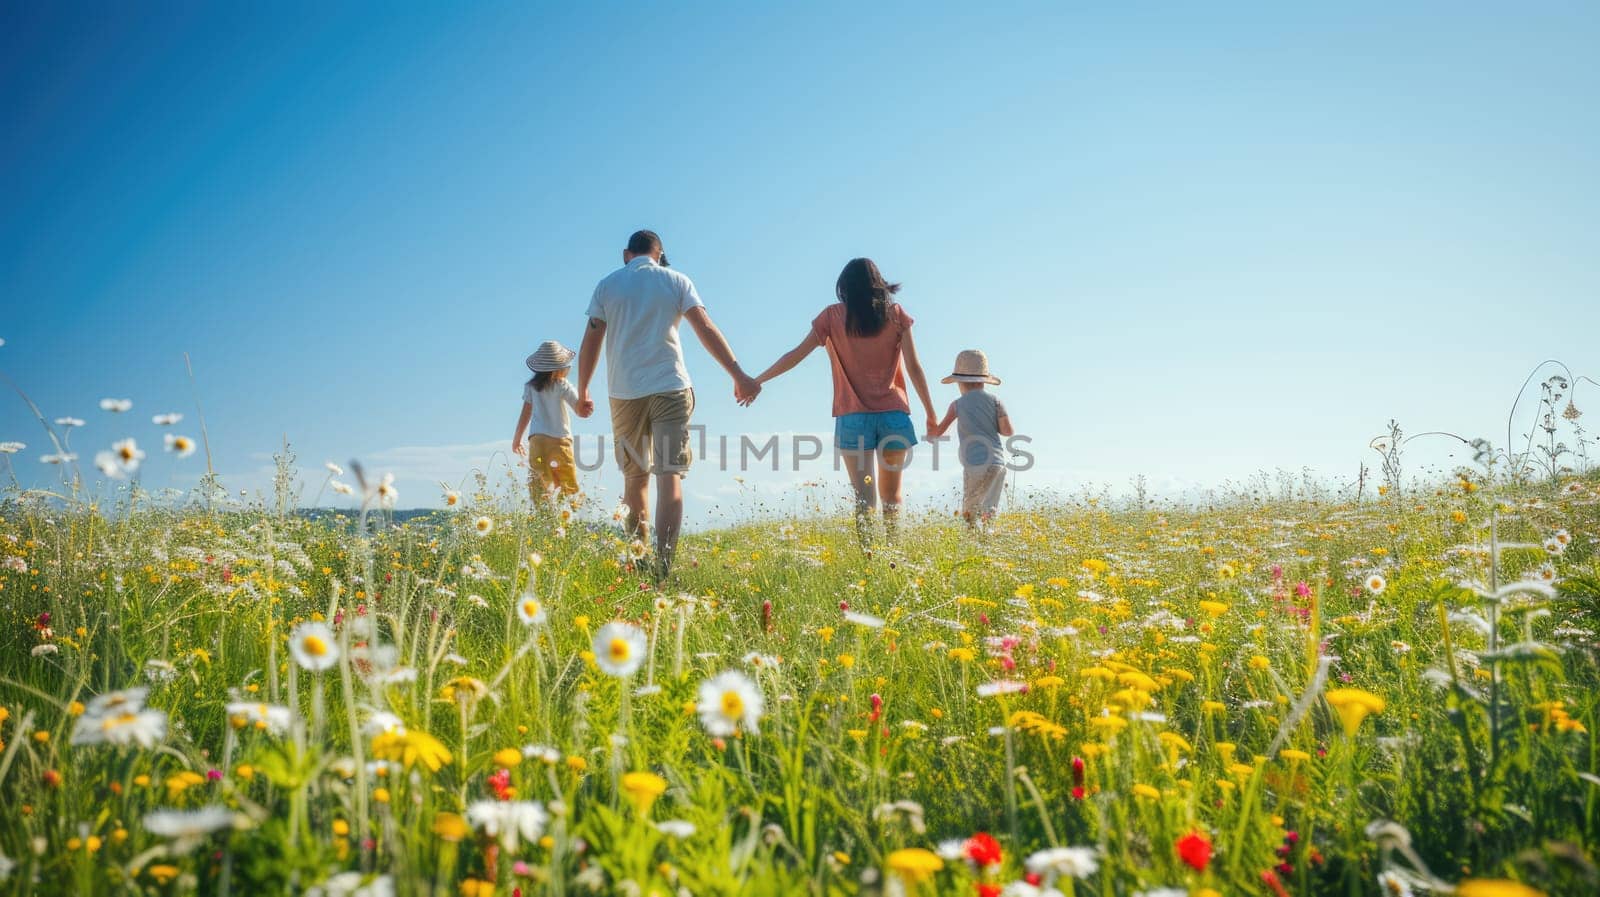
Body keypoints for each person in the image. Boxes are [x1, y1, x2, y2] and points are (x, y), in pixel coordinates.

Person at [577, 230, 759, 577]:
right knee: (669, 475)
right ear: (659, 255)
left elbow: (591, 339)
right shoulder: (676, 280)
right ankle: (663, 568)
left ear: (626, 254)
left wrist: (583, 390)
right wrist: (738, 374)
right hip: (671, 387)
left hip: (624, 391)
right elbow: (704, 327)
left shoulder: (607, 286)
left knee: (635, 478)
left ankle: (638, 560)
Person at [754, 258, 937, 544]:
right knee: (892, 498)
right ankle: (895, 560)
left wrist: (758, 380)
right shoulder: (896, 314)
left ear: (843, 288)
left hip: (853, 418)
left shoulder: (831, 317)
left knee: (865, 499)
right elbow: (914, 367)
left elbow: (795, 355)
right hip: (894, 416)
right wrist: (931, 413)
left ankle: (869, 560)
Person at [928, 349, 1013, 527]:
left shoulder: (957, 405)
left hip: (975, 464)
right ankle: (987, 538)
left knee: (970, 508)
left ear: (959, 382)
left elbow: (938, 433)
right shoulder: (996, 401)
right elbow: (1007, 431)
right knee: (990, 508)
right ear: (984, 381)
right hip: (997, 463)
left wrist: (931, 430)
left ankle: (972, 541)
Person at [512, 339, 586, 504]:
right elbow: (579, 408)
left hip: (538, 442)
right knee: (567, 480)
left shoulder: (531, 387)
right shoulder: (562, 385)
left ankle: (544, 517)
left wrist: (517, 439)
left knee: (539, 480)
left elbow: (525, 414)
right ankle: (566, 513)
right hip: (560, 441)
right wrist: (586, 406)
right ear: (559, 368)